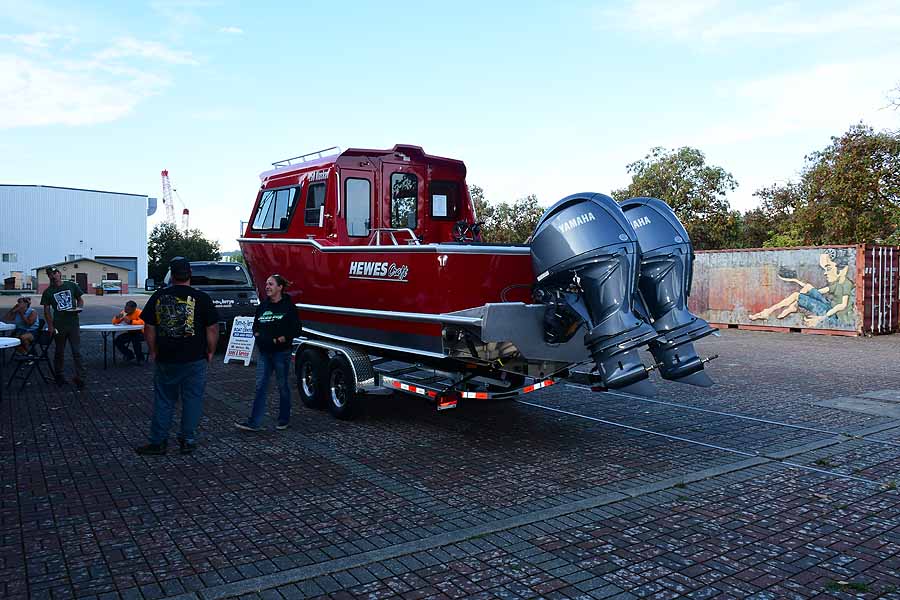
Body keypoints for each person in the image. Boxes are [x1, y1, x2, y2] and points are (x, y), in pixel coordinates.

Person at [136, 257, 219, 456]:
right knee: (192, 400)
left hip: (166, 357)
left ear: (172, 276)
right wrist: (211, 351)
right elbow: (212, 328)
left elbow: (148, 327)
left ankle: (158, 442)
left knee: (164, 400)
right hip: (195, 358)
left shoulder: (158, 296)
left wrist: (153, 350)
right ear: (190, 274)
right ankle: (188, 440)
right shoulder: (202, 298)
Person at [235, 274, 301, 432]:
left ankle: (284, 420)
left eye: (271, 284)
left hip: (281, 354)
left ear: (280, 287)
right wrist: (258, 336)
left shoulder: (289, 307)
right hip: (264, 353)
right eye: (266, 284)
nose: (267, 287)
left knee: (283, 386)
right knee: (260, 386)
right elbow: (255, 326)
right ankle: (254, 422)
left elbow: (296, 329)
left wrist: (280, 340)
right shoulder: (263, 306)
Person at [748, 251, 855, 328]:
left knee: (797, 295)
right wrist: (796, 281)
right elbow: (818, 291)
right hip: (828, 306)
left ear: (842, 270)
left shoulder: (846, 284)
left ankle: (771, 311)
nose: (825, 273)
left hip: (832, 315)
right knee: (807, 288)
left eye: (829, 269)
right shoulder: (837, 283)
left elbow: (842, 306)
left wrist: (821, 318)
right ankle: (788, 307)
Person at [41, 266, 86, 389]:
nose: (53, 276)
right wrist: (50, 325)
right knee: (59, 351)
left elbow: (80, 299)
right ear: (49, 276)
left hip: (73, 324)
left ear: (59, 273)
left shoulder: (71, 285)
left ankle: (80, 377)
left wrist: (79, 308)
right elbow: (46, 310)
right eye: (51, 274)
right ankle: (59, 375)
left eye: (55, 273)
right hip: (59, 325)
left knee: (77, 351)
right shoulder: (48, 292)